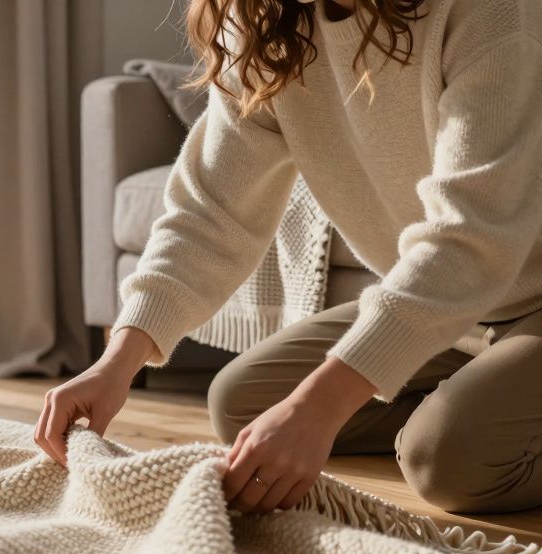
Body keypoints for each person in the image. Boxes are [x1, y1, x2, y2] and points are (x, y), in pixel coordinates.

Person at [35, 0, 542, 514]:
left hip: (523, 290)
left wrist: (319, 407)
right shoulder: (264, 20)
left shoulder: (489, 12)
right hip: (461, 312)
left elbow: (471, 237)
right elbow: (212, 213)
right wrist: (115, 362)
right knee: (243, 403)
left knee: (444, 460)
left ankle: (470, 419)